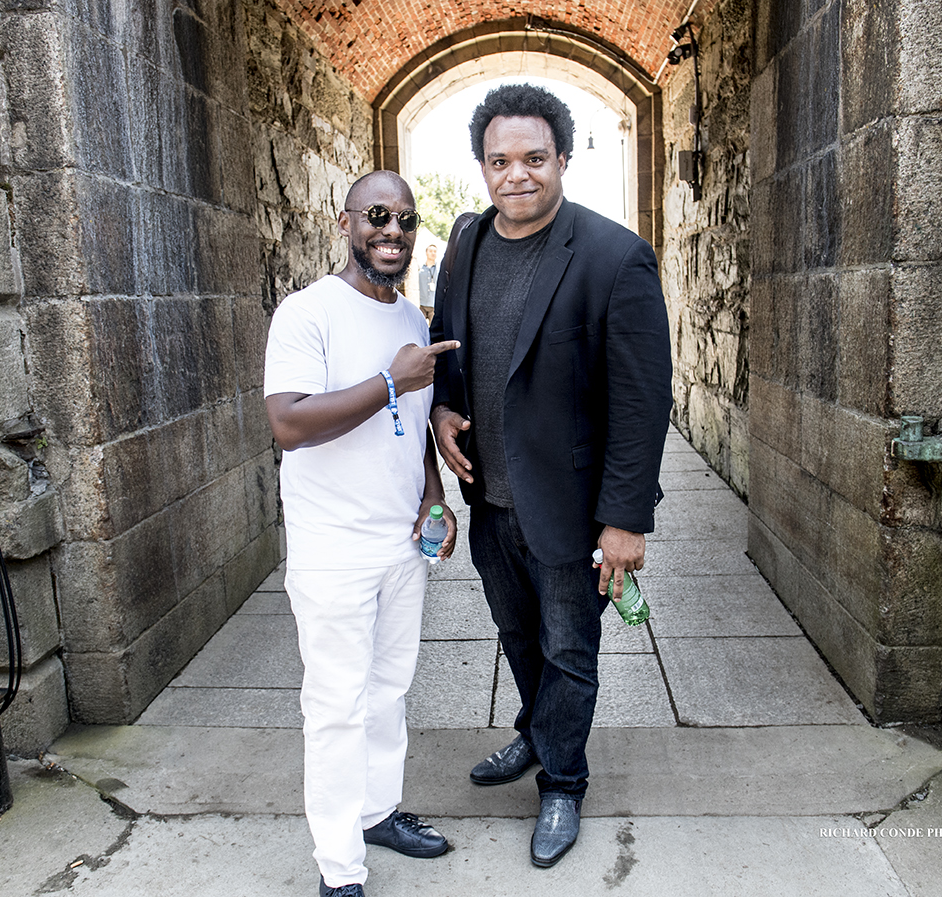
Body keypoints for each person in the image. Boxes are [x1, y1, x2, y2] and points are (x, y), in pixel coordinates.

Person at [430, 84, 672, 869]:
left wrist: (626, 520)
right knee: (516, 635)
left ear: (562, 159)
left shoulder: (613, 256)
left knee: (571, 650)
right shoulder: (464, 243)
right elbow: (447, 343)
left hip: (570, 508)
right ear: (483, 167)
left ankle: (564, 780)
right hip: (491, 500)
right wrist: (442, 411)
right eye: (500, 161)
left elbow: (642, 400)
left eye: (534, 158)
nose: (517, 175)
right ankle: (538, 734)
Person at [265, 170, 460, 897]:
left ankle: (377, 812)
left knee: (389, 689)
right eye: (377, 215)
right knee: (338, 705)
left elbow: (410, 432)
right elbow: (288, 422)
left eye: (406, 220)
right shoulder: (307, 313)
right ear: (343, 221)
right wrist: (388, 382)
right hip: (333, 550)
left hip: (397, 544)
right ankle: (339, 869)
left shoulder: (411, 320)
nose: (393, 232)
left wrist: (434, 500)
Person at [416, 244, 439, 323]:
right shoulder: (420, 270)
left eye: (435, 251)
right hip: (421, 304)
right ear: (426, 253)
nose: (433, 253)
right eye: (430, 251)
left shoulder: (439, 270)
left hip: (433, 305)